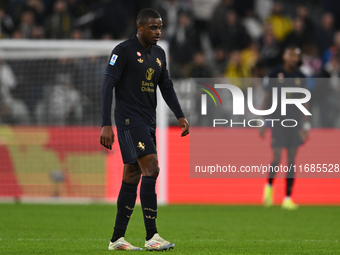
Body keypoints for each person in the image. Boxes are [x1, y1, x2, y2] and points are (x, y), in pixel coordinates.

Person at [100, 8, 189, 251]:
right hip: (129, 120)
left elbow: (167, 87)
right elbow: (108, 86)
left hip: (148, 121)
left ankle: (117, 239)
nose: (158, 31)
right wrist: (105, 124)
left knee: (132, 176)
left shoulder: (159, 54)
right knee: (152, 167)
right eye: (153, 27)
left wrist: (180, 115)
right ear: (140, 28)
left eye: (160, 27)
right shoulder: (123, 51)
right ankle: (152, 237)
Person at [259, 46, 310, 210]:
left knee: (292, 160)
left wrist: (306, 123)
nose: (293, 59)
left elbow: (304, 99)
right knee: (277, 155)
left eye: (296, 56)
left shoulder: (300, 76)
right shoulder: (275, 74)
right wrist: (261, 119)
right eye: (291, 55)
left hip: (294, 122)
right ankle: (269, 186)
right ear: (284, 56)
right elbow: (267, 97)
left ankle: (287, 197)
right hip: (277, 120)